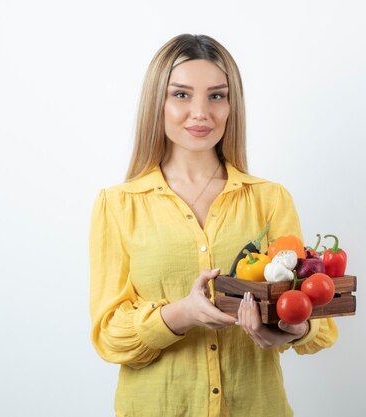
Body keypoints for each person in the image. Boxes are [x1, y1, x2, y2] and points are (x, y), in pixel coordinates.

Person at [89, 34, 338, 417]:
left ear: (231, 105)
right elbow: (109, 336)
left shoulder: (270, 200)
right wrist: (181, 314)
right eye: (182, 95)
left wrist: (290, 329)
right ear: (157, 102)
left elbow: (315, 321)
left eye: (217, 96)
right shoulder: (118, 205)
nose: (201, 112)